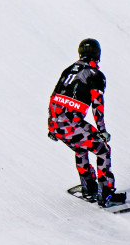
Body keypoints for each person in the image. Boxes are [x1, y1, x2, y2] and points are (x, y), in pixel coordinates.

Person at [48, 38, 124, 206]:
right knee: (103, 149)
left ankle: (88, 187)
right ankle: (106, 193)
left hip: (56, 122)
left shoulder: (69, 70)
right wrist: (102, 130)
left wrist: (52, 126)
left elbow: (54, 96)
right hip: (71, 123)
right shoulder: (95, 74)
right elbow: (97, 104)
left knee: (80, 147)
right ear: (98, 55)